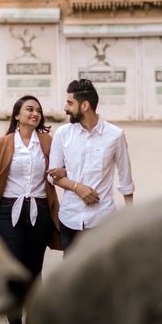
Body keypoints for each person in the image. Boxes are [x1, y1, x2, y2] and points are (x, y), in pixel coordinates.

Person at [0, 95, 60, 324]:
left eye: (38, 110)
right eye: (29, 109)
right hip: (6, 212)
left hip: (38, 211)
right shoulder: (1, 144)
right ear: (16, 115)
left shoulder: (48, 142)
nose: (34, 113)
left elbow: (59, 172)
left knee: (34, 273)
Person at [48, 79, 134, 251]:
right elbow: (52, 176)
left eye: (70, 103)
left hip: (102, 220)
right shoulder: (63, 134)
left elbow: (126, 180)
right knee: (72, 275)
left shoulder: (115, 135)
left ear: (85, 105)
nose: (65, 108)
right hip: (70, 219)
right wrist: (77, 187)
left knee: (103, 274)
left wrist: (129, 220)